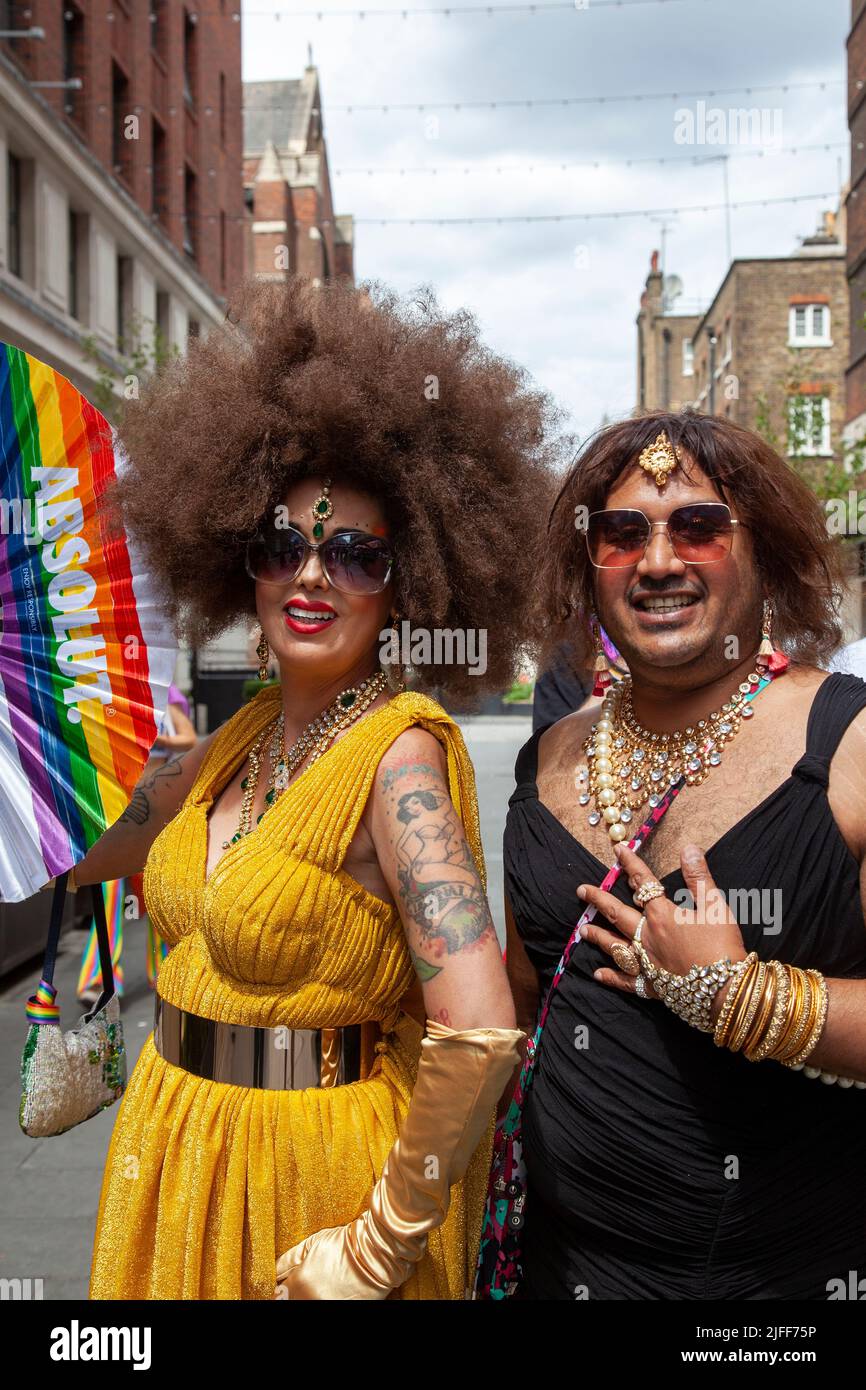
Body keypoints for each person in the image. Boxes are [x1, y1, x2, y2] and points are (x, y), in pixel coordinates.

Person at [68, 275, 569, 1300]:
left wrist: (377, 1245)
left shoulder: (399, 759)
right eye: (280, 545)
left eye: (353, 553)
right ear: (237, 564)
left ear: (408, 585)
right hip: (173, 1153)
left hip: (311, 1190)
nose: (310, 575)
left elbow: (477, 1031)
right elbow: (78, 846)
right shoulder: (231, 742)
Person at [504, 409, 866, 1300]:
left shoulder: (852, 744)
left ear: (764, 553)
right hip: (560, 1269)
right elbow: (515, 1002)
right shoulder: (547, 756)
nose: (660, 561)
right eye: (622, 534)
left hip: (781, 1290)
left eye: (698, 527)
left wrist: (747, 999)